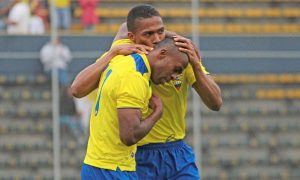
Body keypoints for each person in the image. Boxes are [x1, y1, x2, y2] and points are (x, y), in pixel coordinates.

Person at [71, 4, 222, 179]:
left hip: (175, 152)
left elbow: (216, 102)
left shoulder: (178, 55)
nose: (157, 39)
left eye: (161, 32)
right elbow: (77, 88)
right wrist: (112, 53)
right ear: (132, 37)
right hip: (139, 154)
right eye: (148, 34)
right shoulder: (126, 53)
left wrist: (195, 64)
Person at [77, 38, 189, 179]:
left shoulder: (122, 59)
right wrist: (157, 113)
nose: (174, 77)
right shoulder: (135, 77)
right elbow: (129, 136)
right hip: (113, 169)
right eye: (176, 69)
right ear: (162, 53)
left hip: (95, 163)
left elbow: (76, 88)